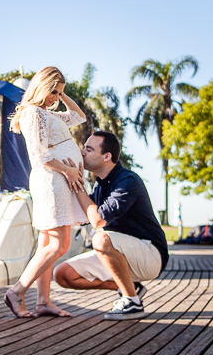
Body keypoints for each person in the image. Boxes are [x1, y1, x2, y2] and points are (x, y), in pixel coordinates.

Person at [53, 131, 168, 320]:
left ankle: (131, 301)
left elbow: (97, 220)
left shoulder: (128, 181)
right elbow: (81, 216)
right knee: (62, 274)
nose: (82, 153)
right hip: (119, 254)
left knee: (100, 238)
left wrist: (78, 183)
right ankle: (131, 287)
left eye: (89, 149)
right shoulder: (101, 185)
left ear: (107, 156)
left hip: (150, 254)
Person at [4, 66, 89, 318]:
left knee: (47, 242)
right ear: (40, 87)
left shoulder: (47, 113)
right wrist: (69, 171)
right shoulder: (33, 113)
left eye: (59, 93)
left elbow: (78, 116)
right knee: (60, 244)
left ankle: (43, 301)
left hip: (59, 178)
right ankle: (16, 291)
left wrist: (61, 96)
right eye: (52, 91)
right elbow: (39, 156)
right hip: (52, 179)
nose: (55, 97)